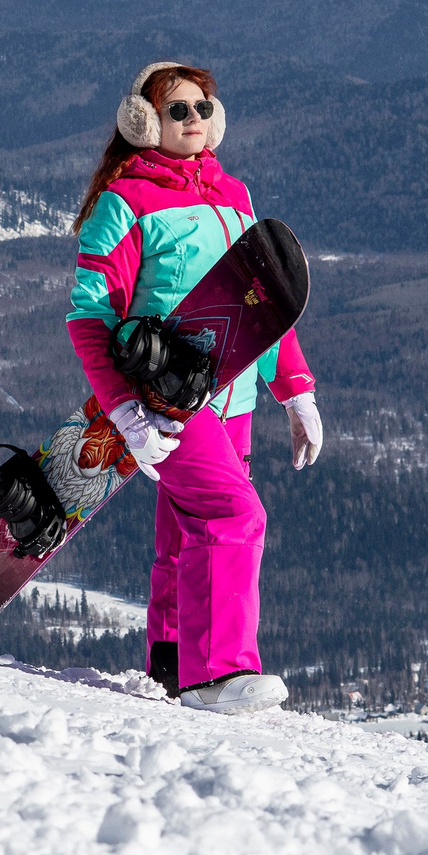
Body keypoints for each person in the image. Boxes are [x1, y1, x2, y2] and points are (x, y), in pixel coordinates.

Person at [68, 61, 322, 713]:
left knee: (188, 534)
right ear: (144, 121)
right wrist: (125, 411)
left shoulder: (234, 195)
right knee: (234, 516)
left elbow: (264, 304)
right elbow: (90, 318)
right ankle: (219, 675)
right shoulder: (124, 202)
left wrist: (295, 393)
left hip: (234, 397)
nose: (194, 120)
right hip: (166, 398)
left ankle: (172, 667)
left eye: (204, 107)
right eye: (177, 109)